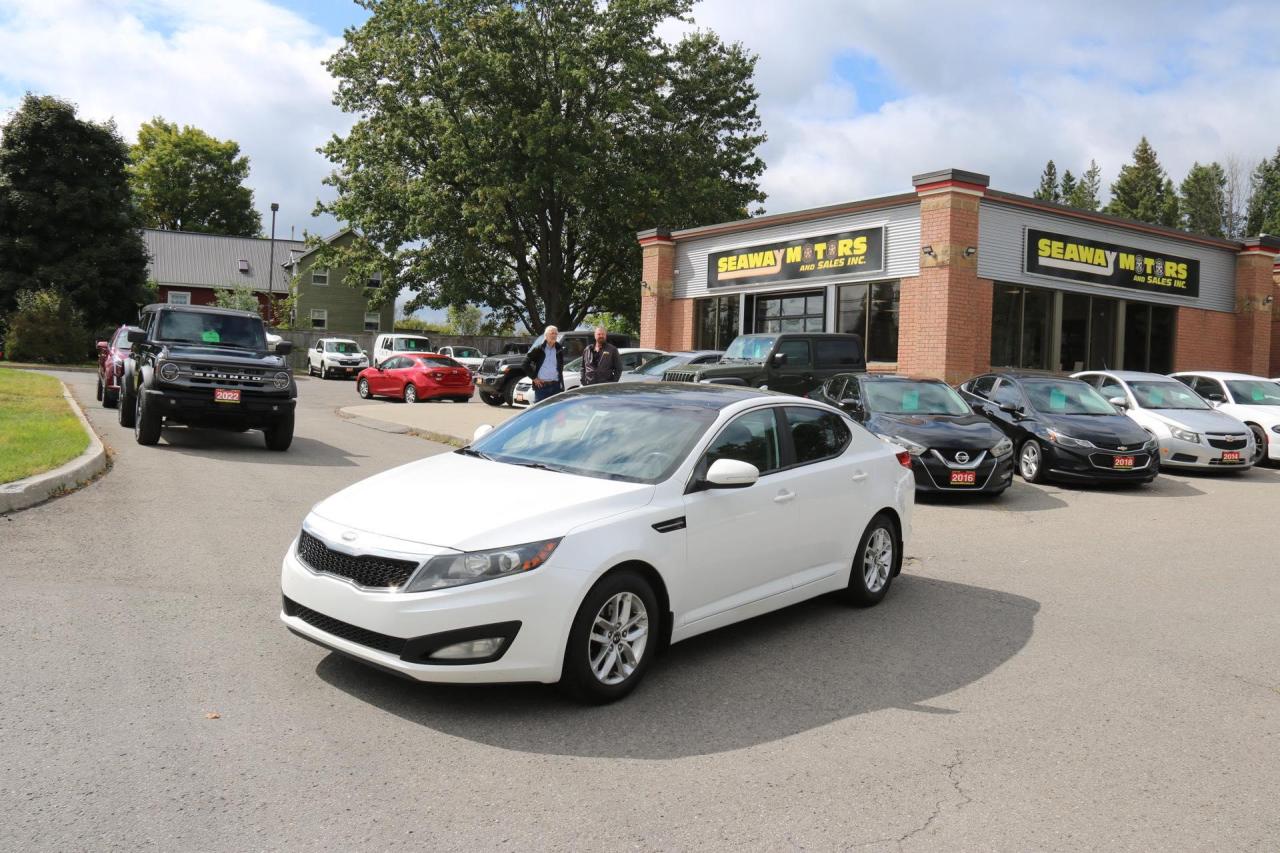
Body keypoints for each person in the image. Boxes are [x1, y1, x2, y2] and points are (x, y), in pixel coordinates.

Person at [524, 325, 565, 402]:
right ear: (546, 335)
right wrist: (534, 378)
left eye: (556, 334)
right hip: (542, 387)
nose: (554, 335)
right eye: (552, 333)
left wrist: (561, 384)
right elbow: (525, 363)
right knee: (540, 411)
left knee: (555, 412)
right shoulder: (539, 349)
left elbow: (560, 367)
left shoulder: (559, 349)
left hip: (556, 386)